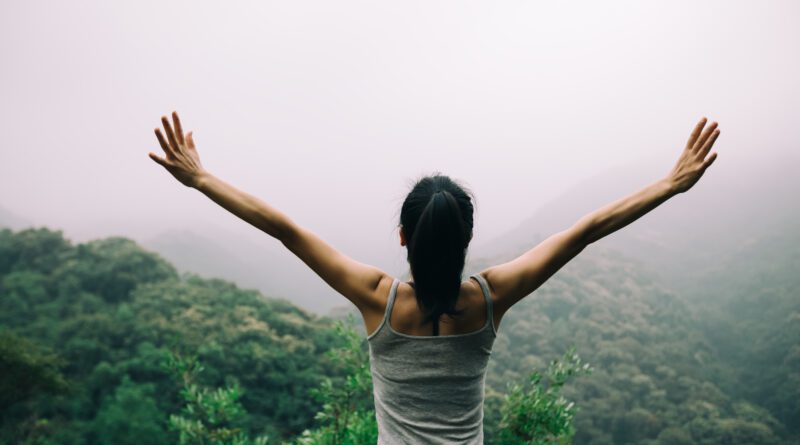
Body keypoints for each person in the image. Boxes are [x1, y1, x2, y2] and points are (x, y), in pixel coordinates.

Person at [148, 112, 720, 444]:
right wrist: (669, 185)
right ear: (468, 240)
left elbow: (285, 230)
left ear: (403, 236)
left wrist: (201, 179)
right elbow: (588, 228)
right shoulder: (490, 300)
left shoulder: (378, 299)